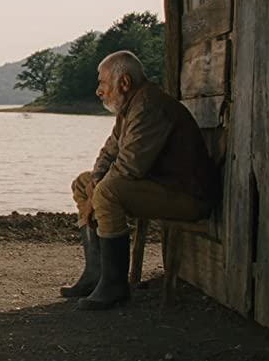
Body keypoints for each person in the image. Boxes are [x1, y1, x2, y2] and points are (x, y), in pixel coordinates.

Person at [62, 50, 219, 310]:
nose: (99, 91)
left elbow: (129, 168)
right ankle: (96, 274)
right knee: (83, 182)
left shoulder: (149, 106)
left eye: (102, 83)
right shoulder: (129, 107)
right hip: (159, 188)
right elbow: (110, 151)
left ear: (123, 82)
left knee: (108, 191)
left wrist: (97, 194)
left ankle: (114, 286)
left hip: (187, 197)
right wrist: (94, 184)